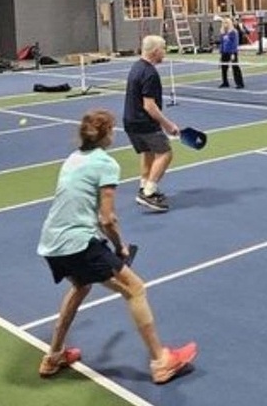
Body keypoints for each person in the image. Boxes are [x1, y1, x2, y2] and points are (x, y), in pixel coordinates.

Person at [36, 108, 197, 384]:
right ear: (107, 134)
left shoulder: (73, 159)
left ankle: (53, 356)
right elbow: (107, 218)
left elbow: (86, 210)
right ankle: (161, 362)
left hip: (51, 242)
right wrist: (119, 246)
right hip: (77, 243)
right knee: (135, 289)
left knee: (80, 286)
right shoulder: (106, 164)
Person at [123, 35, 181, 212]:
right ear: (155, 51)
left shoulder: (136, 67)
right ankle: (149, 193)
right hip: (144, 122)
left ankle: (143, 186)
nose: (165, 52)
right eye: (163, 48)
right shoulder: (150, 73)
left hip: (130, 121)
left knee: (147, 152)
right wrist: (168, 125)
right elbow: (149, 105)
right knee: (165, 153)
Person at [218, 18, 244, 89]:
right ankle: (225, 82)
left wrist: (233, 53)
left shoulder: (233, 32)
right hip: (224, 52)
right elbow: (222, 43)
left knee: (235, 67)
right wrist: (221, 52)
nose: (225, 24)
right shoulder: (223, 33)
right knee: (224, 68)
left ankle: (240, 83)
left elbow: (235, 43)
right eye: (224, 23)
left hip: (232, 52)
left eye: (226, 23)